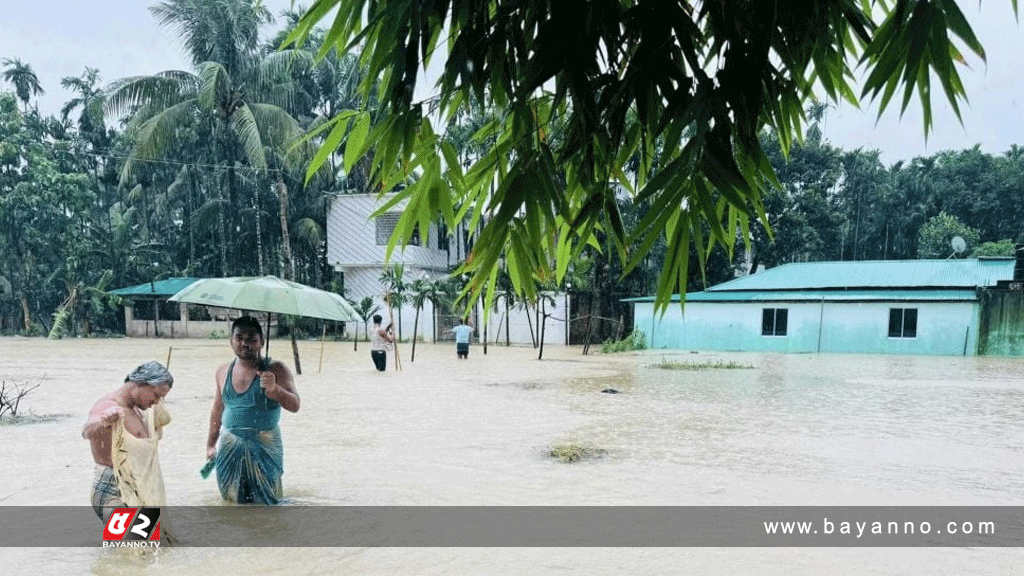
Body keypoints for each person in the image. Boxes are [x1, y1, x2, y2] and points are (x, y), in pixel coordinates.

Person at [206, 316, 300, 504]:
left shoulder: (277, 369)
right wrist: (210, 444)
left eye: (251, 339)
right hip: (229, 445)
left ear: (262, 342)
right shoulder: (223, 371)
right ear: (231, 341)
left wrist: (275, 390)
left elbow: (295, 405)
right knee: (231, 501)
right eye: (239, 338)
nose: (245, 343)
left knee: (269, 502)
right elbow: (218, 410)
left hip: (265, 445)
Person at [82, 361, 173, 522]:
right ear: (140, 384)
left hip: (137, 489)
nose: (157, 402)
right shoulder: (109, 405)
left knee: (149, 545)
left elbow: (160, 422)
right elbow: (86, 431)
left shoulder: (139, 408)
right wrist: (104, 421)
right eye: (156, 395)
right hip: (112, 491)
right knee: (130, 544)